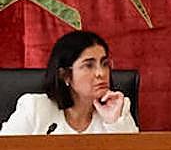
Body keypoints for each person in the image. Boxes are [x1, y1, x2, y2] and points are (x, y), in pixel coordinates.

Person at [0, 30, 138, 135]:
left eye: (105, 64)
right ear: (65, 75)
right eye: (89, 65)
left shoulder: (118, 108)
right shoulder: (35, 108)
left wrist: (114, 123)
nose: (100, 73)